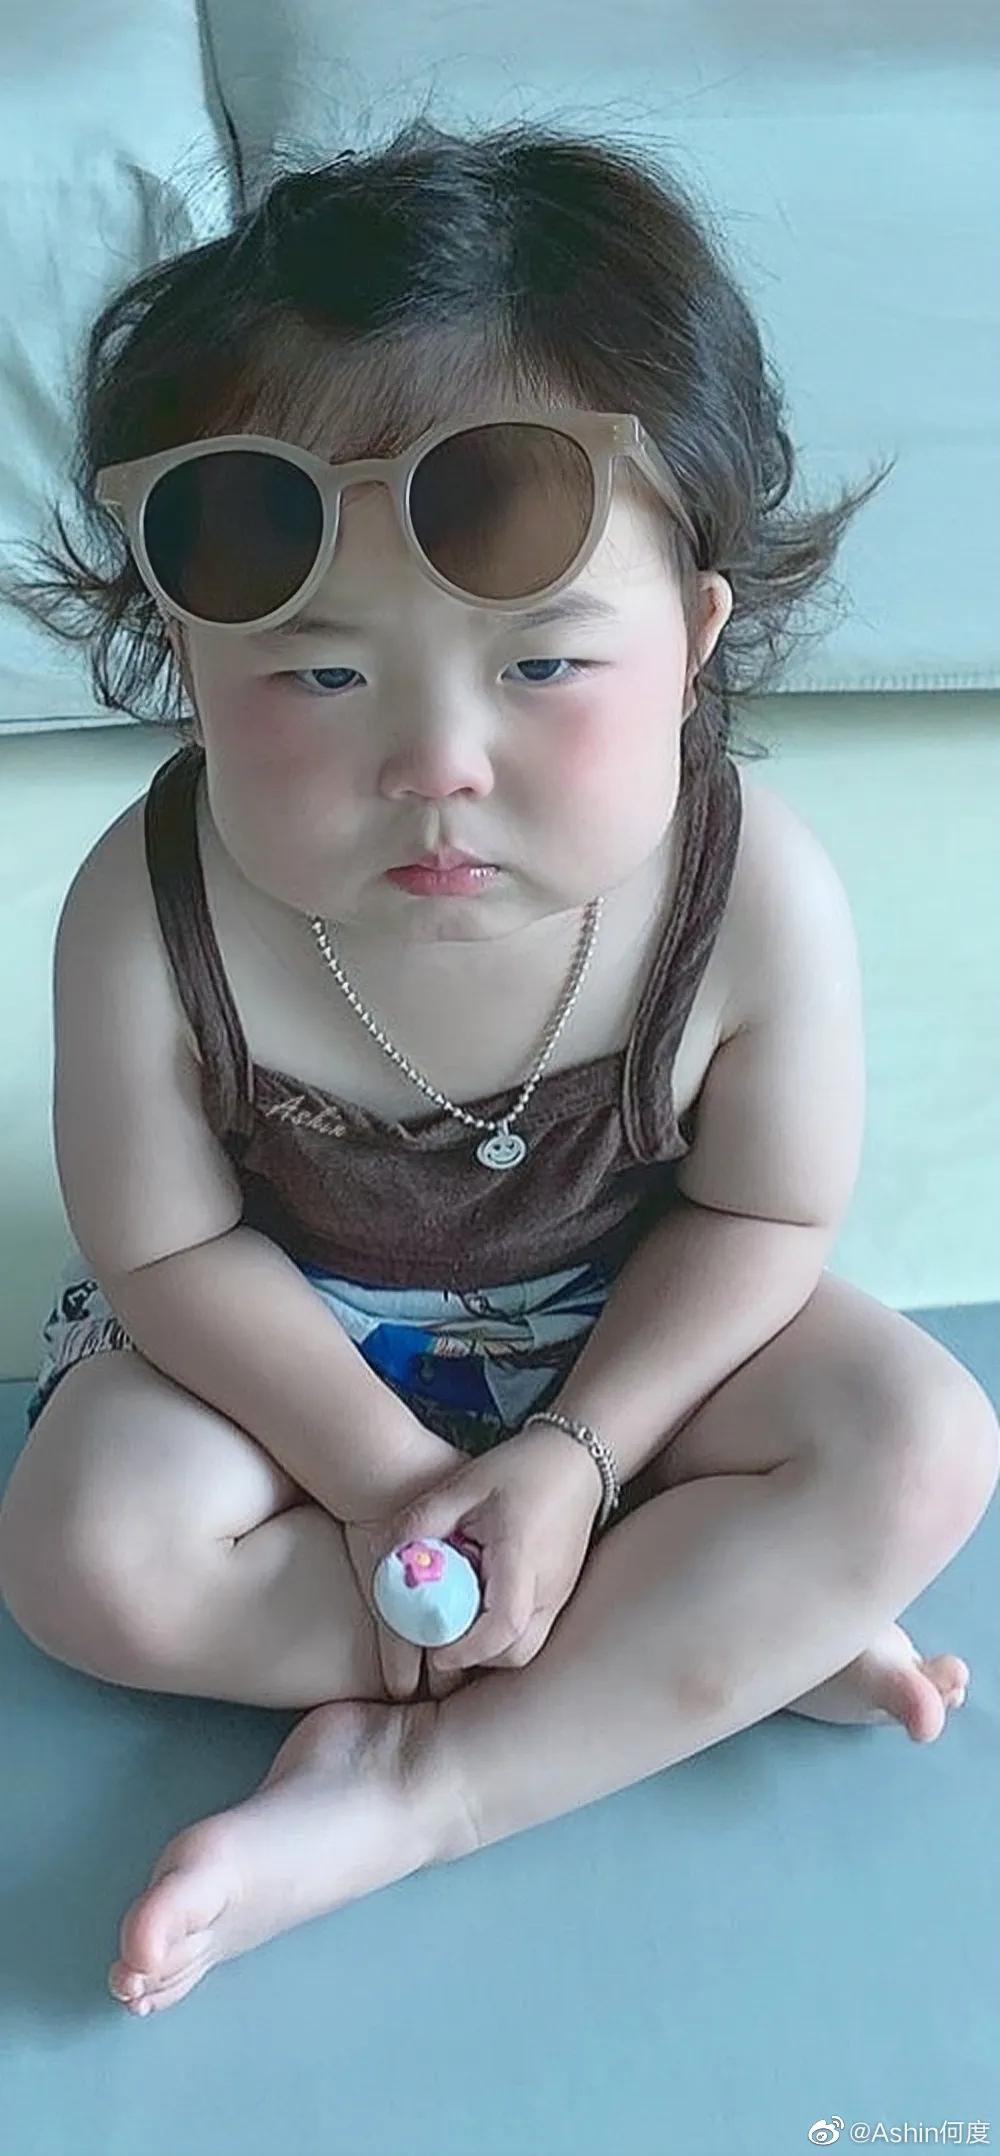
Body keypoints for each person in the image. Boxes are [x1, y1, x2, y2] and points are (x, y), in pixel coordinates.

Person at [0, 117, 995, 2021]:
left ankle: (425, 1788)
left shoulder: (749, 893)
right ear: (187, 662)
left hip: (636, 1355)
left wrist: (577, 1453)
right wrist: (387, 1480)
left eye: (541, 667)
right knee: (85, 1554)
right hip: (289, 1367)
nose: (435, 762)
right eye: (319, 675)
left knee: (924, 1442)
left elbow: (763, 1217)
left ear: (694, 640)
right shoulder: (150, 905)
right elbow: (168, 1254)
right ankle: (686, 1638)